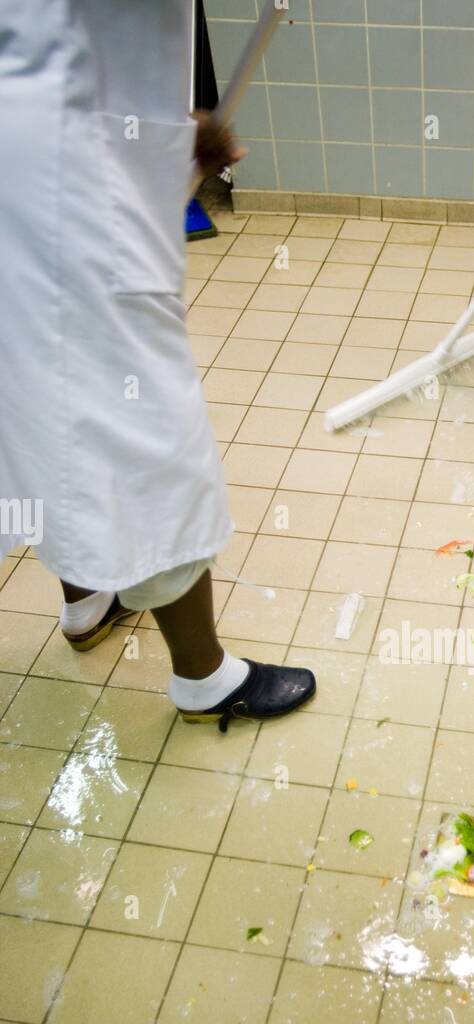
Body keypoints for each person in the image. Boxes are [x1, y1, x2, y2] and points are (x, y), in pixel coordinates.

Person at [0, 0, 315, 731]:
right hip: (69, 165)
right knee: (141, 419)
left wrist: (160, 132)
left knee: (31, 397)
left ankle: (87, 599)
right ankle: (204, 676)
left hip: (48, 135)